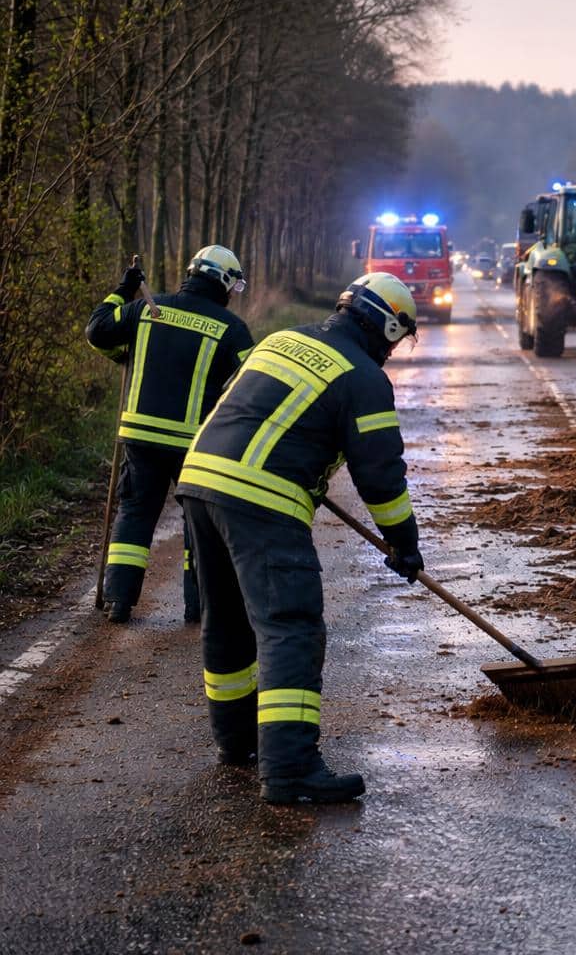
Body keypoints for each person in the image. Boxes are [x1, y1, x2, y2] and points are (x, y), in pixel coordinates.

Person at [176, 272, 424, 803]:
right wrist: (404, 542)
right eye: (397, 339)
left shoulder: (280, 339)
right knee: (292, 627)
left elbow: (234, 401)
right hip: (261, 501)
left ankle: (238, 741)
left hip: (199, 481)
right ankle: (290, 770)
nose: (394, 351)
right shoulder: (363, 378)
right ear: (385, 325)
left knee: (227, 622)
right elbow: (381, 475)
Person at [85, 247, 254, 625]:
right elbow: (252, 381)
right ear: (224, 283)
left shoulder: (147, 308)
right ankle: (198, 608)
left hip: (139, 435)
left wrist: (123, 290)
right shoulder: (231, 328)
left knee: (135, 512)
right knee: (199, 524)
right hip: (194, 444)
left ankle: (119, 601)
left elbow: (98, 332)